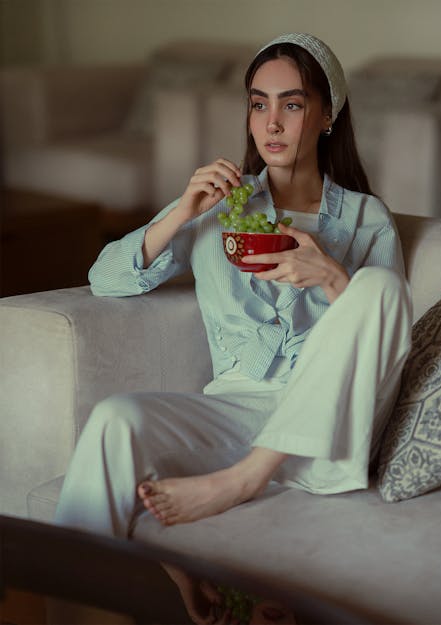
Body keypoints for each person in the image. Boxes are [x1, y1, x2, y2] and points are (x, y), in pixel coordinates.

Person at [55, 33, 412, 539]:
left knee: (379, 286)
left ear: (328, 115)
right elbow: (105, 280)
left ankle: (244, 481)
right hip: (238, 412)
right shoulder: (223, 203)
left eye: (292, 104)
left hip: (330, 433)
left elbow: (387, 338)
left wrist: (333, 278)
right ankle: (69, 599)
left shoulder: (366, 217)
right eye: (259, 104)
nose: (272, 123)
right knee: (117, 418)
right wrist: (182, 211)